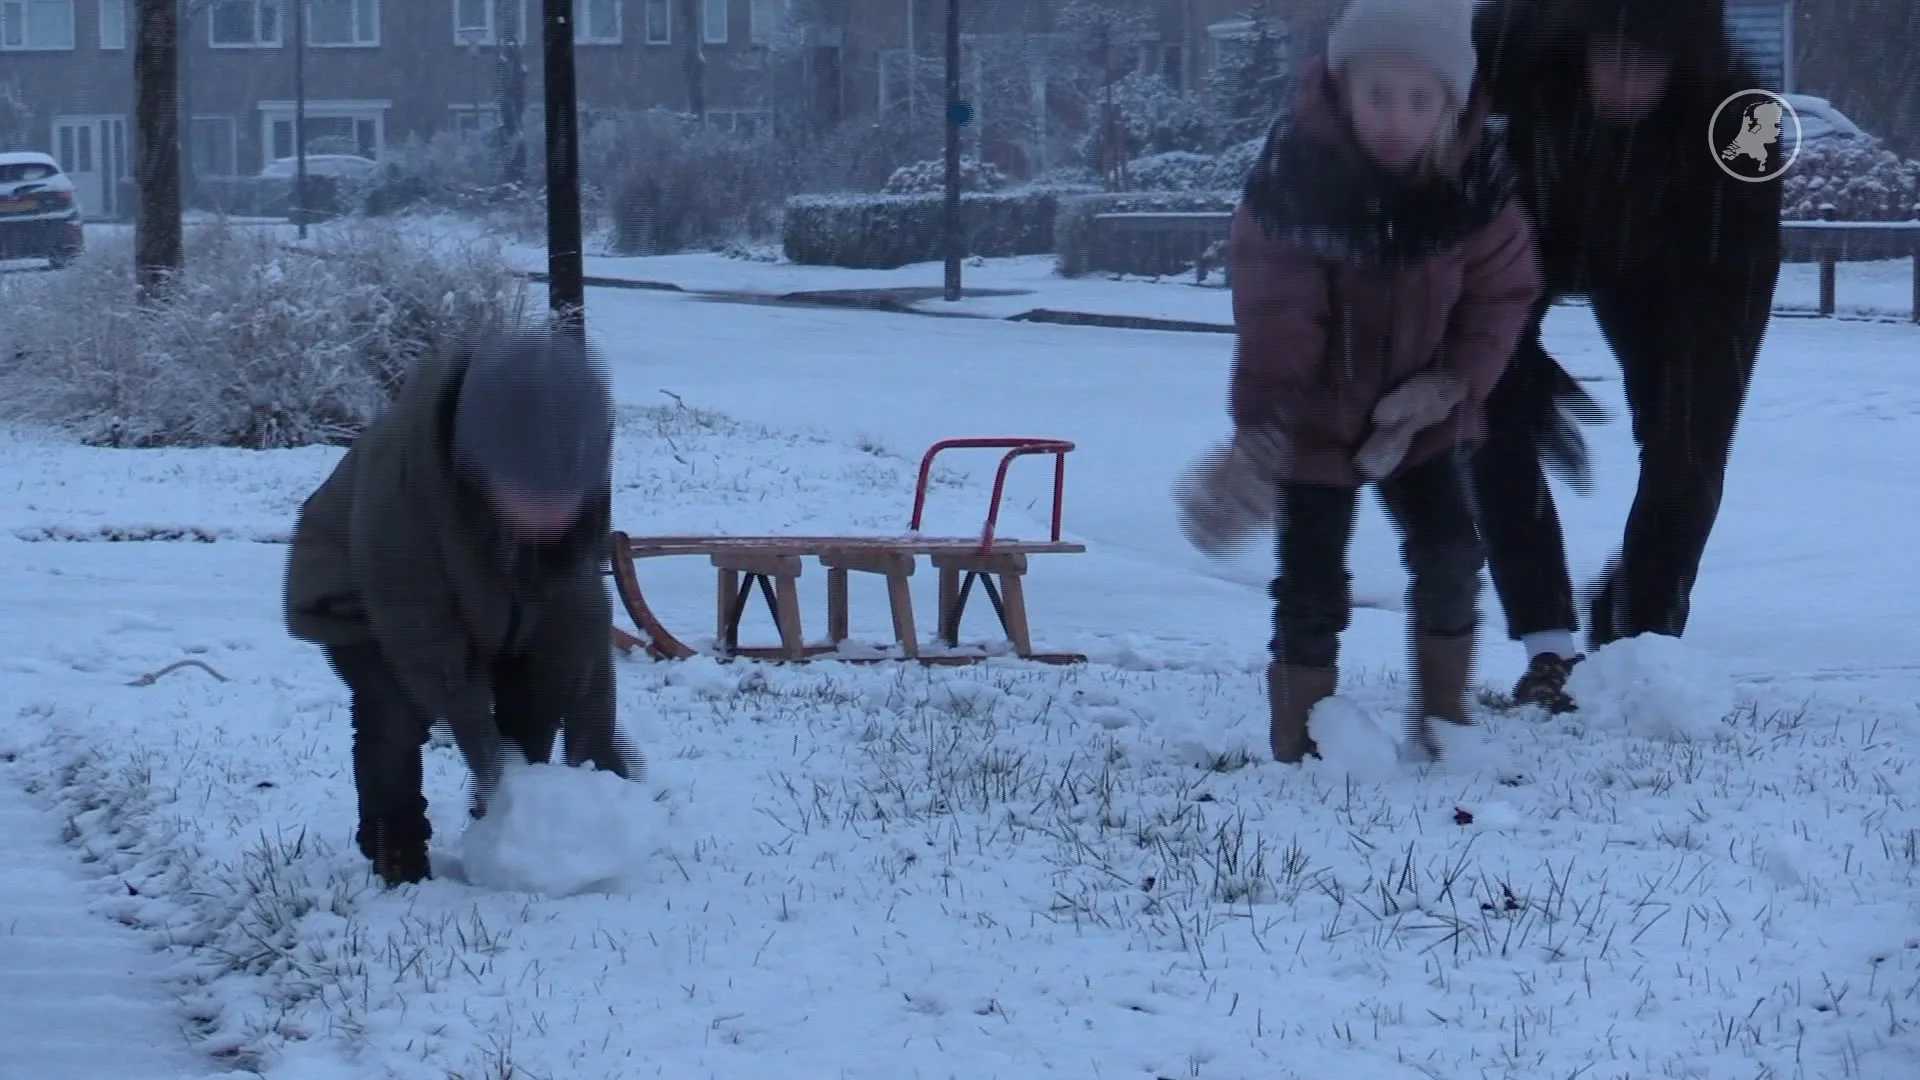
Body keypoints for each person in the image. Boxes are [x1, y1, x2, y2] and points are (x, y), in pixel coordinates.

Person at [1178, 0, 1542, 763]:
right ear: (1343, 89)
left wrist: (1450, 385)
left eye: (1421, 99)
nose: (1398, 118)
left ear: (1452, 104)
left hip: (1418, 420)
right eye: (1379, 94)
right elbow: (1278, 314)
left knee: (1450, 555)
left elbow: (1501, 294)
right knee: (1312, 584)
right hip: (1312, 422)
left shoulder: (1475, 189)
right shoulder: (1295, 183)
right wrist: (1265, 431)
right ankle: (1302, 739)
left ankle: (1444, 719)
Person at [1470, 0, 1783, 712]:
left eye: (1645, 64)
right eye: (1606, 57)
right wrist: (1512, 362)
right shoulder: (1514, 53)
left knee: (1690, 442)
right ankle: (1547, 647)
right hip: (1527, 234)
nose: (1621, 79)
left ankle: (1639, 640)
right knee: (1481, 406)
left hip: (1687, 264)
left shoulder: (1742, 116)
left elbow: (1739, 278)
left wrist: (1697, 399)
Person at [283, 325, 641, 887]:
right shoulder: (403, 475)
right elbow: (425, 644)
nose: (547, 520)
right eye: (527, 500)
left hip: (489, 585)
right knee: (394, 714)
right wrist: (494, 764)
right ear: (482, 468)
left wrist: (597, 745)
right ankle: (394, 846)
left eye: (560, 505)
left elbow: (577, 618)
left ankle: (513, 839)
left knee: (537, 695)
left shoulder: (575, 458)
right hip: (360, 587)